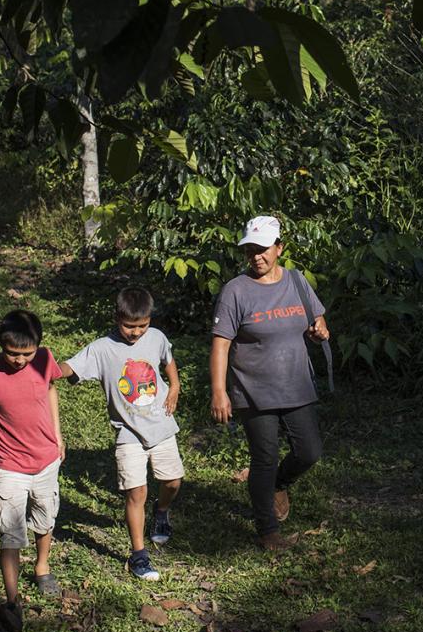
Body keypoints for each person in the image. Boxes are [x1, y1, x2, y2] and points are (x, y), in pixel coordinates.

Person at [209, 216, 330, 552]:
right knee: (264, 457)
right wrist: (219, 392)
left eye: (262, 249)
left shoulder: (296, 281)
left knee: (309, 452)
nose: (256, 256)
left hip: (296, 385)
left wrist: (319, 329)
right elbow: (220, 344)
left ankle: (279, 482)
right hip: (253, 390)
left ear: (279, 248)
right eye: (250, 250)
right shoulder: (235, 291)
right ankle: (268, 531)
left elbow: (316, 319)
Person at [60, 287, 183, 581]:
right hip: (127, 432)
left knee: (173, 482)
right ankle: (139, 555)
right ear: (117, 318)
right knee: (136, 492)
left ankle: (161, 511)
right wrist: (45, 369)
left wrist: (175, 386)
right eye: (129, 325)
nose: (135, 332)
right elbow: (70, 367)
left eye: (142, 325)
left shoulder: (156, 338)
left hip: (162, 424)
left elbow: (167, 361)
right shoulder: (102, 348)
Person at [0, 310, 65, 632]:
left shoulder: (45, 360)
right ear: (0, 345)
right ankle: (12, 601)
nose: (20, 360)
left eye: (27, 353)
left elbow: (51, 390)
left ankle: (42, 566)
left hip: (46, 459)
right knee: (9, 530)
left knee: (45, 514)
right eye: (13, 353)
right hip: (9, 465)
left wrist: (58, 435)